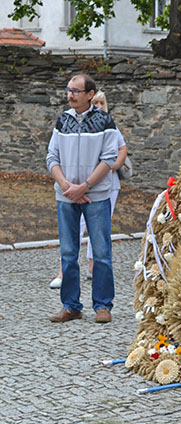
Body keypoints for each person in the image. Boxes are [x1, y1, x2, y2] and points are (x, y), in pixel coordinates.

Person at [47, 74, 120, 323]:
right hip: (66, 195)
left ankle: (103, 306)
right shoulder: (62, 120)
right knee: (68, 253)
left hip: (96, 196)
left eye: (76, 91)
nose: (70, 95)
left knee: (101, 252)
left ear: (90, 94)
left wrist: (85, 186)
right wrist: (66, 186)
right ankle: (71, 306)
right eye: (69, 90)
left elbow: (109, 160)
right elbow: (52, 157)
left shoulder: (105, 121)